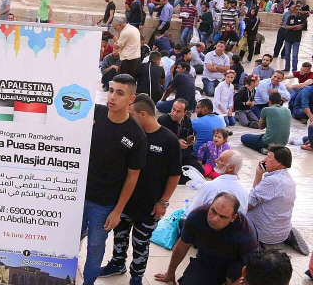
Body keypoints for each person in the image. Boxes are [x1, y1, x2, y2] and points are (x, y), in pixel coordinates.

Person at [99, 95, 180, 285]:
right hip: (125, 202)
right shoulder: (131, 135)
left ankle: (136, 276)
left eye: (132, 114)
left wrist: (163, 202)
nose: (128, 117)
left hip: (149, 207)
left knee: (141, 243)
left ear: (143, 114)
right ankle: (117, 263)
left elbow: (175, 175)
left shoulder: (169, 140)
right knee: (119, 236)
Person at [82, 74, 145, 285]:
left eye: (120, 93)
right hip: (77, 195)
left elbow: (132, 177)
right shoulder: (95, 114)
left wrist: (118, 210)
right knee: (67, 242)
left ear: (131, 99)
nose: (112, 97)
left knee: (95, 248)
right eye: (111, 90)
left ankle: (88, 282)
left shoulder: (136, 135)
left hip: (104, 204)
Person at [154, 193, 259, 285]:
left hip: (235, 267)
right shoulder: (197, 216)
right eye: (213, 211)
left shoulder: (246, 231)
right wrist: (171, 272)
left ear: (233, 218)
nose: (214, 219)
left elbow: (252, 268)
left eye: (223, 217)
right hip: (207, 262)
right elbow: (183, 245)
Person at [246, 145, 305, 253]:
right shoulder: (289, 179)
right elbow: (256, 194)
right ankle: (286, 235)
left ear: (278, 162)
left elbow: (248, 204)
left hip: (265, 235)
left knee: (235, 215)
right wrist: (259, 174)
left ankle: (264, 243)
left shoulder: (271, 182)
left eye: (268, 157)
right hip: (281, 231)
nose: (264, 160)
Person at [189, 150, 248, 214]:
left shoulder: (208, 187)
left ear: (230, 168)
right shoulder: (244, 191)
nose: (216, 161)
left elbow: (191, 212)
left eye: (221, 160)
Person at [283, 5, 306, 72]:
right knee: (287, 54)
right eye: (297, 9)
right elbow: (286, 27)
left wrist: (291, 27)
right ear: (295, 10)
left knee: (295, 55)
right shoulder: (290, 17)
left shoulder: (303, 19)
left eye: (300, 9)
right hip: (288, 38)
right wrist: (295, 26)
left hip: (296, 39)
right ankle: (287, 68)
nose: (298, 11)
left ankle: (294, 69)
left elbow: (300, 27)